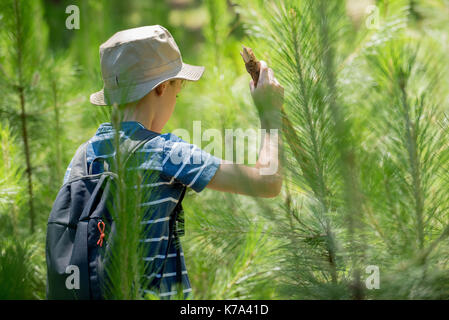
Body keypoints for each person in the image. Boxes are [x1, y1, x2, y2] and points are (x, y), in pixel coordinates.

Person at [63, 25, 283, 299]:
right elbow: (268, 181)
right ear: (162, 87)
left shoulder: (83, 157)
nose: (175, 101)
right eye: (176, 93)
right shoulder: (166, 152)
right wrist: (269, 113)